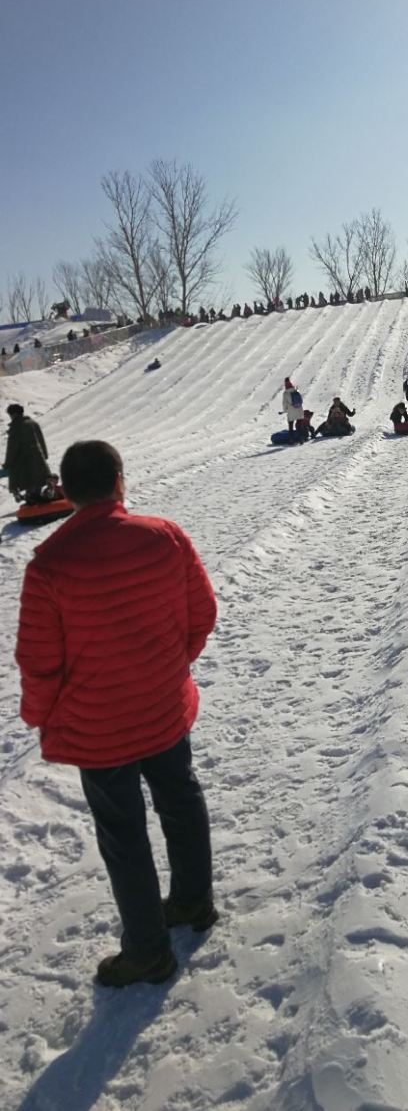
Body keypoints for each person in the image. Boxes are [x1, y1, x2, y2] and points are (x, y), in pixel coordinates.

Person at [15, 440, 217, 988]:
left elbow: (39, 665)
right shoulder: (166, 538)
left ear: (67, 490)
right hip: (163, 709)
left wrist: (42, 717)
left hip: (99, 730)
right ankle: (195, 904)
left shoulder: (50, 567)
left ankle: (148, 952)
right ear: (119, 481)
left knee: (123, 834)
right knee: (180, 798)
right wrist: (168, 669)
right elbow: (203, 614)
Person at [2, 403, 51, 502]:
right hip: (38, 458)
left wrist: (8, 463)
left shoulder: (16, 427)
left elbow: (12, 448)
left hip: (24, 461)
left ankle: (31, 499)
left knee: (28, 480)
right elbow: (41, 440)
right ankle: (38, 497)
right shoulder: (33, 423)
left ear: (14, 414)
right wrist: (44, 455)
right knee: (38, 479)